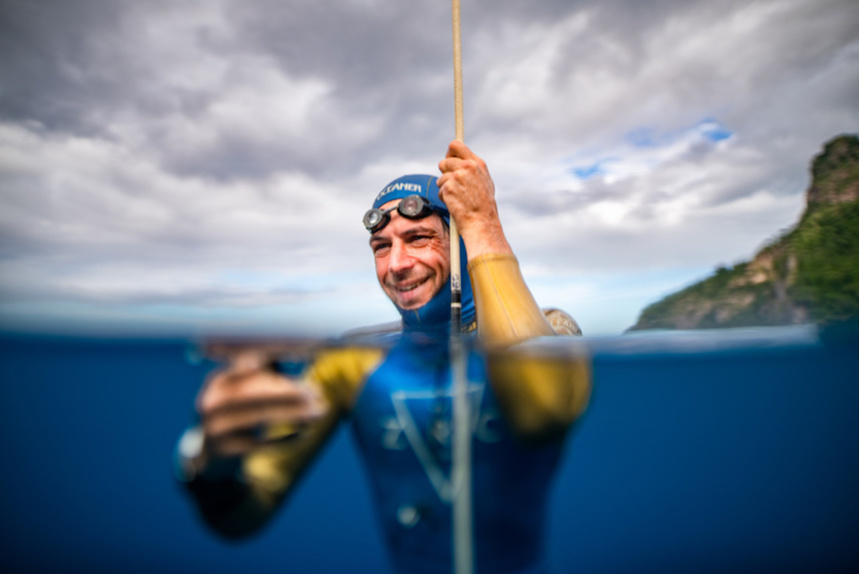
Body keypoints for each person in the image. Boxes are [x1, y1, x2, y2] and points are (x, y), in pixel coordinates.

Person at [175, 140, 591, 573]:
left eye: (418, 238)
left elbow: (544, 410)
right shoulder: (349, 362)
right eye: (380, 246)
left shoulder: (554, 326)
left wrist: (482, 222)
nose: (396, 263)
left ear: (462, 243)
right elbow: (240, 519)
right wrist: (211, 460)